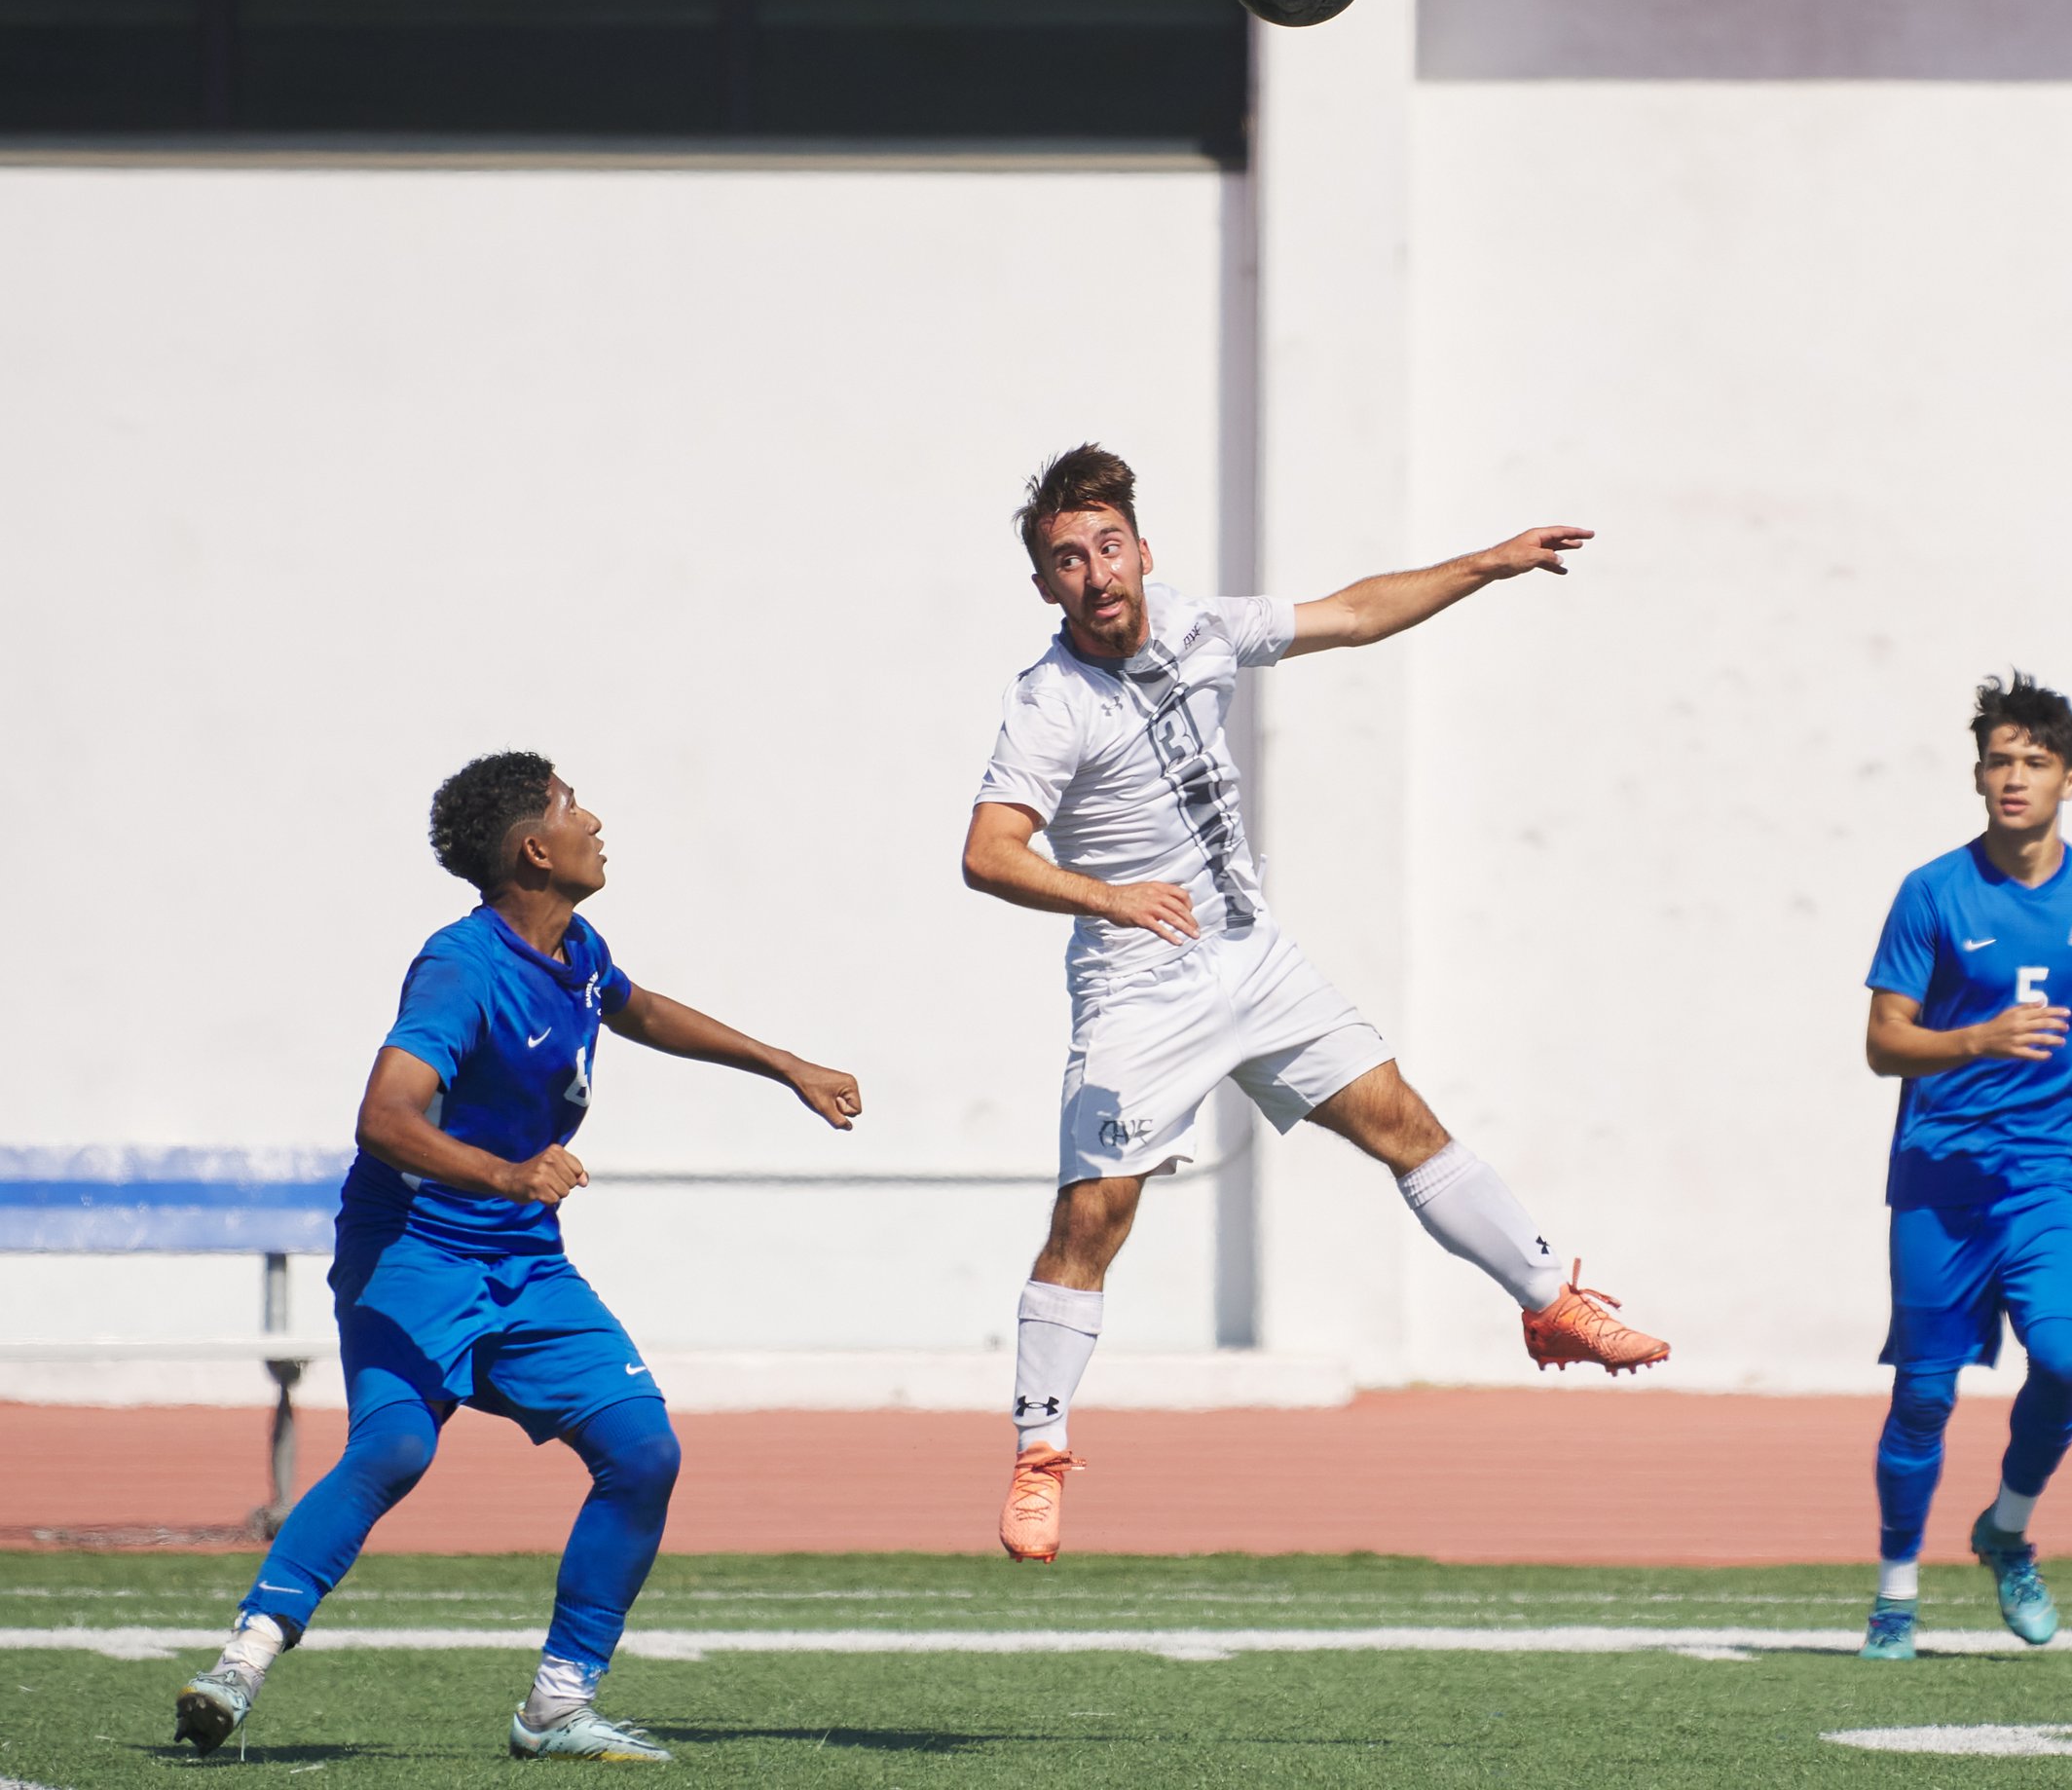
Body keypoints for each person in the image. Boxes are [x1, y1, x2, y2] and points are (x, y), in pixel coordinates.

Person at [962, 443, 1669, 1563]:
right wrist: (1109, 895)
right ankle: (1039, 1451)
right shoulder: (1050, 704)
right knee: (1090, 1220)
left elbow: (1351, 613)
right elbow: (988, 852)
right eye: (1066, 559)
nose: (1094, 572)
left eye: (1107, 546)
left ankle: (1547, 1297)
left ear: (1142, 551)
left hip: (1254, 957)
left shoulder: (1198, 625)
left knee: (1404, 1121)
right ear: (1045, 584)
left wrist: (1487, 560)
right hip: (1138, 987)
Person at [174, 754, 861, 1760]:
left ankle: (555, 1705)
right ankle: (240, 1663)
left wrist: (784, 1062)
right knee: (396, 1447)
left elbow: (641, 1008)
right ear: (536, 849)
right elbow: (383, 1117)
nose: (594, 818)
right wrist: (505, 1175)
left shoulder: (574, 948)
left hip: (525, 1261)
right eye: (571, 806)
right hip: (410, 1251)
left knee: (642, 1451)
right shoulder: (463, 965)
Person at [1857, 675, 2072, 1659]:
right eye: (1998, 759)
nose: (2013, 776)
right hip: (1940, 1183)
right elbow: (1881, 1041)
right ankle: (1895, 1597)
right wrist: (1976, 1038)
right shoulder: (1932, 892)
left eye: (2034, 760)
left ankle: (2006, 1529)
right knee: (1925, 1394)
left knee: (2065, 1360)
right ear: (1978, 775)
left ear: (2069, 779)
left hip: (2050, 1179)